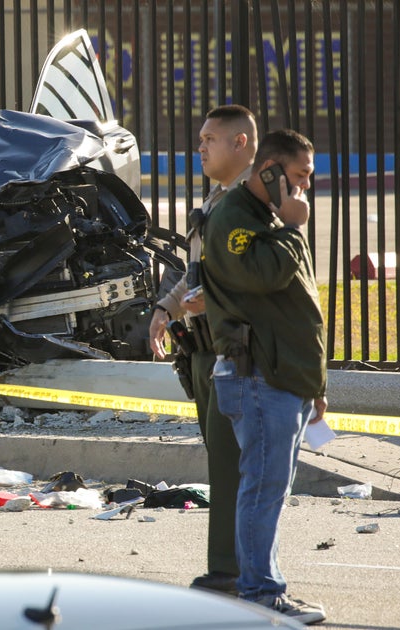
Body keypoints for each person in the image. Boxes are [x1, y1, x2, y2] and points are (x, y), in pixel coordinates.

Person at [200, 128, 328, 625]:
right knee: (262, 489)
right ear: (269, 170)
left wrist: (315, 385)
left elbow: (298, 307)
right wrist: (293, 228)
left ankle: (266, 589)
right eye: (299, 177)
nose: (304, 189)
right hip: (257, 377)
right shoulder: (235, 217)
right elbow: (263, 277)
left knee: (270, 490)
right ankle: (259, 595)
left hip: (284, 376)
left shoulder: (269, 218)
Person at [148, 104, 256, 596]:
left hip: (238, 354)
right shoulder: (215, 200)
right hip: (204, 353)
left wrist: (205, 301)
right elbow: (197, 273)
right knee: (221, 465)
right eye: (200, 139)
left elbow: (255, 278)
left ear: (241, 143)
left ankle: (232, 572)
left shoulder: (255, 202)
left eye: (210, 139)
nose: (200, 148)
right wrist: (166, 309)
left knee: (236, 470)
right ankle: (227, 568)